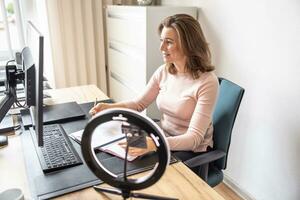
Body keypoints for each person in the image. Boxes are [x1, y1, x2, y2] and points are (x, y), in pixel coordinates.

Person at [90, 14, 219, 159]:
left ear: (188, 44)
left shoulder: (207, 82)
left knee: (136, 165)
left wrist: (155, 143)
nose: (161, 48)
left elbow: (194, 139)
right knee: (116, 148)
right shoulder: (164, 71)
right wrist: (109, 108)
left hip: (189, 150)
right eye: (161, 41)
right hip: (161, 136)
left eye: (169, 42)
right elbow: (138, 104)